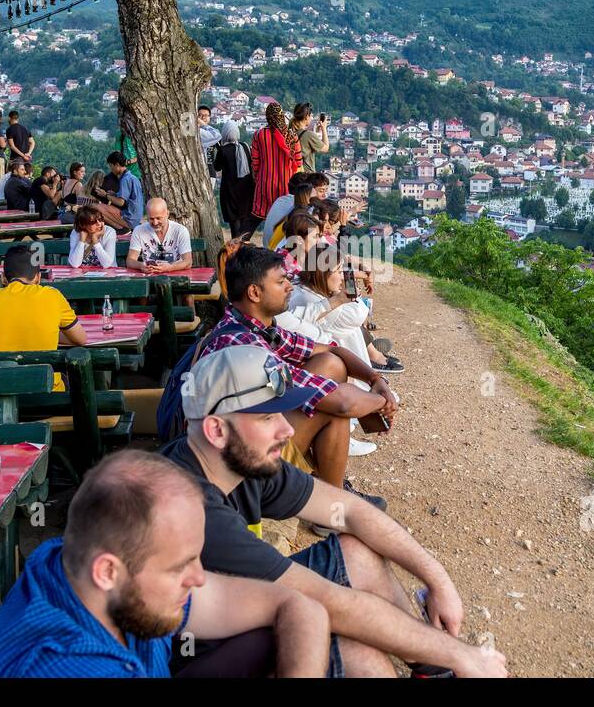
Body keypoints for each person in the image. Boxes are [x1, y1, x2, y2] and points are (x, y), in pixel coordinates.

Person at [164, 345, 507, 678]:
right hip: (189, 658)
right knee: (355, 651)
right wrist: (467, 656)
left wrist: (437, 578)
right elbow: (330, 601)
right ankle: (450, 661)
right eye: (268, 417)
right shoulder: (189, 506)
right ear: (217, 430)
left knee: (356, 552)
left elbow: (350, 511)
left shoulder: (237, 460)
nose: (286, 430)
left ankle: (435, 669)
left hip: (234, 613)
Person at [0, 449, 329, 678]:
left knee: (277, 639)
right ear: (108, 571)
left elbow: (294, 604)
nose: (198, 578)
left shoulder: (75, 565)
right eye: (179, 566)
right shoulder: (64, 664)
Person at [197, 246, 396, 491]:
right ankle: (332, 506)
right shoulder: (245, 348)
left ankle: (326, 488)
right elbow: (343, 402)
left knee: (330, 365)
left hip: (242, 440)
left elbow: (330, 350)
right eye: (281, 282)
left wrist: (375, 378)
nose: (290, 286)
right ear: (255, 292)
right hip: (235, 473)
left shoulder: (255, 326)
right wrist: (383, 400)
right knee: (332, 410)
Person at [0, 243, 86, 391]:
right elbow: (80, 339)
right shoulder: (52, 296)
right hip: (45, 398)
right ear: (38, 277)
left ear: (3, 278)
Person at [250, 101, 301, 230]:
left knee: (256, 219)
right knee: (283, 219)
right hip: (286, 185)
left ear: (268, 116)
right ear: (282, 115)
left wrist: (257, 178)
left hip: (265, 183)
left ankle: (238, 244)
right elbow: (298, 162)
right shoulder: (292, 136)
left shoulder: (259, 135)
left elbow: (255, 162)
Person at [211, 120, 255, 239]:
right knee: (244, 222)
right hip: (246, 191)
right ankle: (244, 248)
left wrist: (218, 147)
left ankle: (235, 251)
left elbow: (216, 166)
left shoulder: (223, 150)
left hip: (230, 191)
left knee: (234, 224)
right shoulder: (244, 147)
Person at [126, 197, 192, 274]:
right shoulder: (139, 230)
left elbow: (188, 262)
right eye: (151, 219)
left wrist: (170, 268)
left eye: (158, 218)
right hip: (149, 275)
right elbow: (130, 261)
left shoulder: (180, 230)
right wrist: (141, 265)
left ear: (167, 214)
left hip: (175, 274)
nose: (155, 223)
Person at [263, 173, 319, 251]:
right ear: (307, 198)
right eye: (318, 193)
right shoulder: (300, 218)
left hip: (269, 249)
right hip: (274, 255)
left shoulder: (289, 207)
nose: (321, 196)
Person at [94, 150, 144, 232]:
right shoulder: (132, 177)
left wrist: (105, 195)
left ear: (117, 164)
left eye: (111, 166)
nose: (111, 169)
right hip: (137, 217)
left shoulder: (125, 179)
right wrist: (115, 194)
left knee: (97, 208)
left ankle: (122, 229)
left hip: (130, 218)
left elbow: (121, 202)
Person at [292, 103, 329, 173]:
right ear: (306, 116)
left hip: (294, 175)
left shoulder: (290, 133)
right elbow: (326, 148)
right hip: (307, 176)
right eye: (311, 115)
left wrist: (318, 130)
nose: (312, 118)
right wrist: (324, 128)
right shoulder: (308, 135)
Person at [197, 106, 220, 176]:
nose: (203, 117)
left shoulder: (212, 132)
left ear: (209, 117)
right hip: (197, 171)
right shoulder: (196, 132)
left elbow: (221, 150)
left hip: (211, 171)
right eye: (200, 115)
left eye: (206, 115)